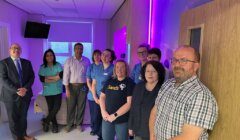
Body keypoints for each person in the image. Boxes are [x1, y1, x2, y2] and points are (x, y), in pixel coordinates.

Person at [149, 46, 218, 140]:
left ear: (195, 66)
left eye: (184, 60)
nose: (177, 64)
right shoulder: (168, 84)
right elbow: (154, 112)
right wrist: (152, 135)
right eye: (174, 60)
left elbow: (188, 137)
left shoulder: (200, 95)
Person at [0, 43, 35, 140]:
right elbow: (3, 79)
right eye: (14, 48)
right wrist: (17, 90)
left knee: (23, 117)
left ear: (21, 51)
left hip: (25, 94)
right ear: (9, 50)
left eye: (19, 48)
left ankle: (24, 135)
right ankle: (17, 138)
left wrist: (25, 88)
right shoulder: (3, 63)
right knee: (13, 119)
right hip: (10, 96)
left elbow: (32, 77)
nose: (16, 50)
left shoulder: (27, 62)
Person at [128, 61, 165, 140]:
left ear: (159, 73)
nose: (150, 74)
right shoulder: (138, 86)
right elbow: (133, 107)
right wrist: (130, 126)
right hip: (138, 130)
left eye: (153, 71)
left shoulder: (163, 90)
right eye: (147, 71)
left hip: (154, 133)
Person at [99, 60, 135, 140]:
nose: (119, 69)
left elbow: (129, 103)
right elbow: (102, 97)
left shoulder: (130, 83)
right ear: (114, 69)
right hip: (107, 118)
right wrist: (103, 111)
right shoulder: (110, 80)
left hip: (122, 120)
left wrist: (115, 115)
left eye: (122, 67)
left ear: (126, 69)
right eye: (117, 67)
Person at [63, 42, 90, 132]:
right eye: (77, 48)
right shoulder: (69, 60)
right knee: (71, 106)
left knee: (81, 106)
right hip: (71, 86)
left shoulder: (87, 60)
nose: (79, 50)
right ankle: (69, 124)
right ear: (74, 50)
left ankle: (79, 124)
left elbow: (88, 75)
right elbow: (66, 75)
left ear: (82, 50)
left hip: (83, 86)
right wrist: (67, 89)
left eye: (81, 49)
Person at [91, 49, 116, 140]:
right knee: (96, 117)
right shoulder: (97, 68)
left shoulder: (114, 68)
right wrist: (95, 97)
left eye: (107, 55)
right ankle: (100, 134)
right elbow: (94, 84)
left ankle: (104, 136)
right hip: (97, 98)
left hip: (108, 98)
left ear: (111, 58)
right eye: (103, 54)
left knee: (105, 117)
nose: (104, 56)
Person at [38, 49, 63, 133]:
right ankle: (55, 125)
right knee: (51, 108)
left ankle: (46, 121)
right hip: (48, 91)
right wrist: (54, 78)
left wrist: (48, 77)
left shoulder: (58, 65)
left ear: (53, 56)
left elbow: (60, 76)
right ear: (45, 57)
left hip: (58, 90)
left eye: (51, 55)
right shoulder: (42, 67)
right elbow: (42, 79)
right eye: (47, 55)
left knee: (56, 107)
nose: (49, 57)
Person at [86, 49, 102, 136]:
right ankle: (93, 128)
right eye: (95, 55)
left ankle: (99, 129)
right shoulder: (90, 67)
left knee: (100, 113)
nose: (97, 56)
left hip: (102, 94)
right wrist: (93, 92)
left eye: (98, 55)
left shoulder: (104, 66)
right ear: (93, 56)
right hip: (92, 95)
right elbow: (88, 80)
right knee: (94, 114)